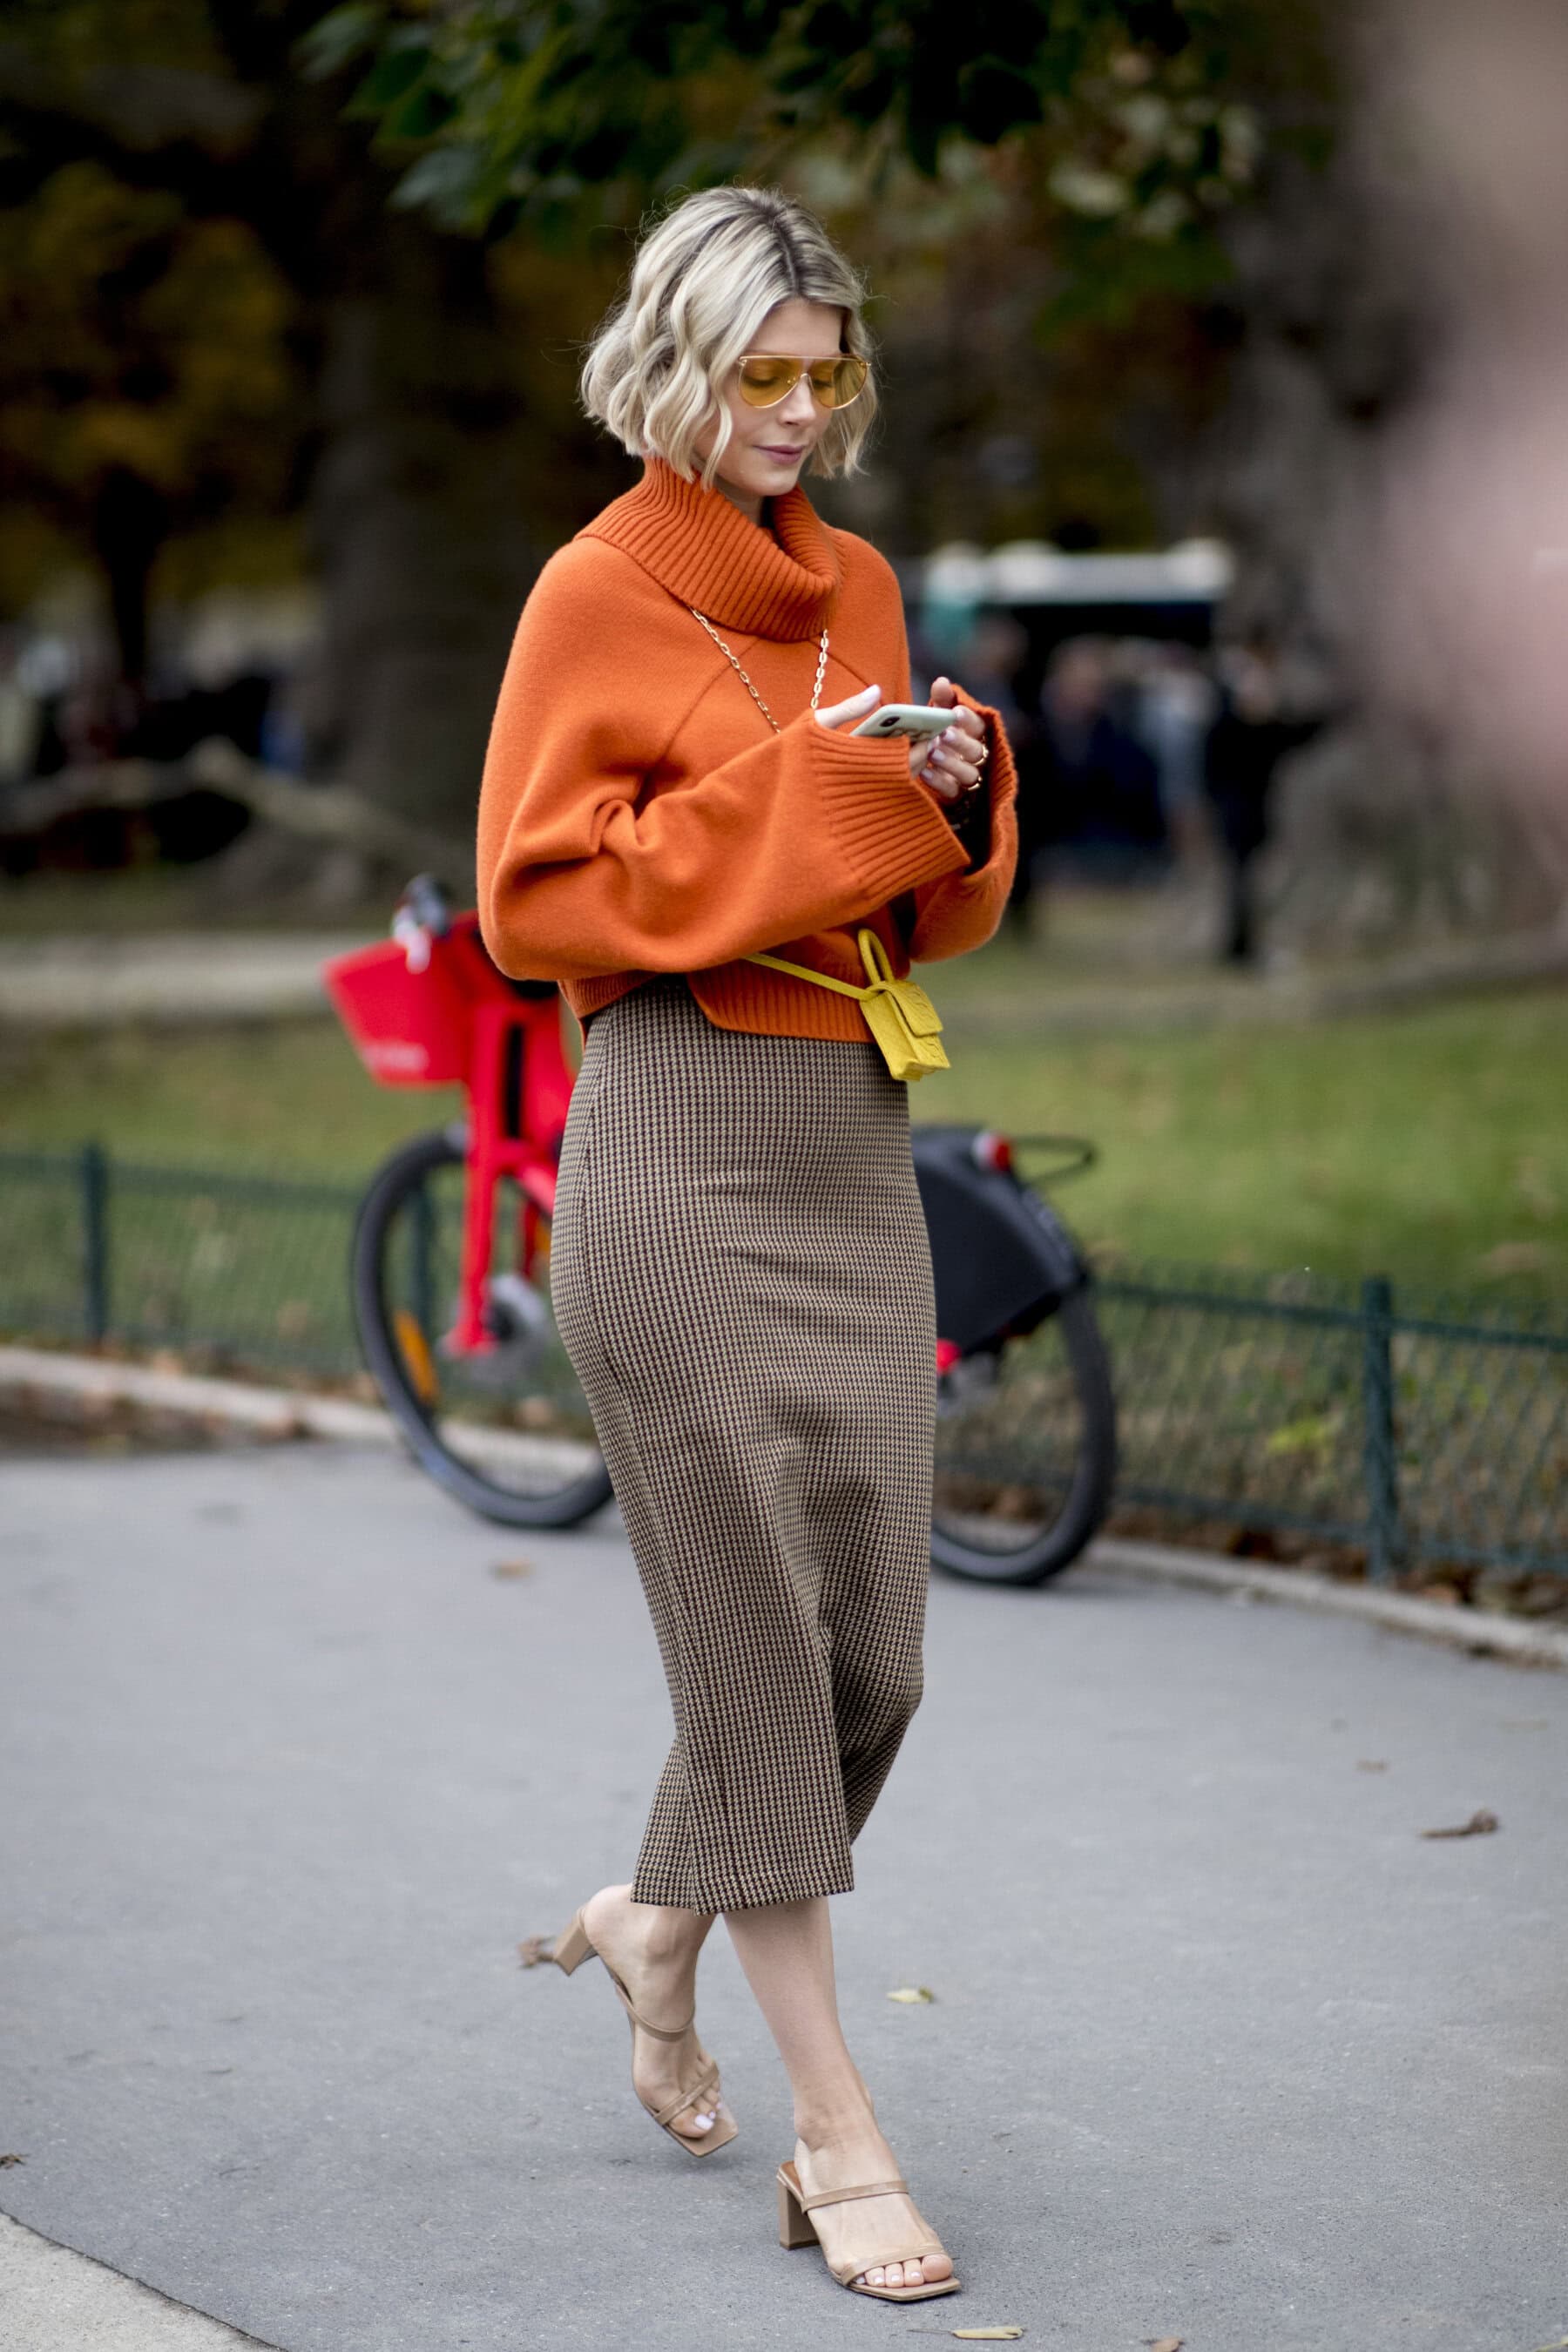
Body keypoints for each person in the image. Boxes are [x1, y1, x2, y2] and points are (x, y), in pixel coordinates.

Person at [476, 185, 1017, 2306]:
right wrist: (803, 794)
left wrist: (951, 794)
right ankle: (840, 2134)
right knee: (766, 1666)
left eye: (827, 377)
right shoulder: (594, 590)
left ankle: (652, 1921)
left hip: (845, 1135)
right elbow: (538, 898)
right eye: (759, 375)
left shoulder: (862, 586)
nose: (799, 413)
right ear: (672, 367)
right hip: (676, 1152)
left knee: (877, 1655)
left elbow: (892, 885)